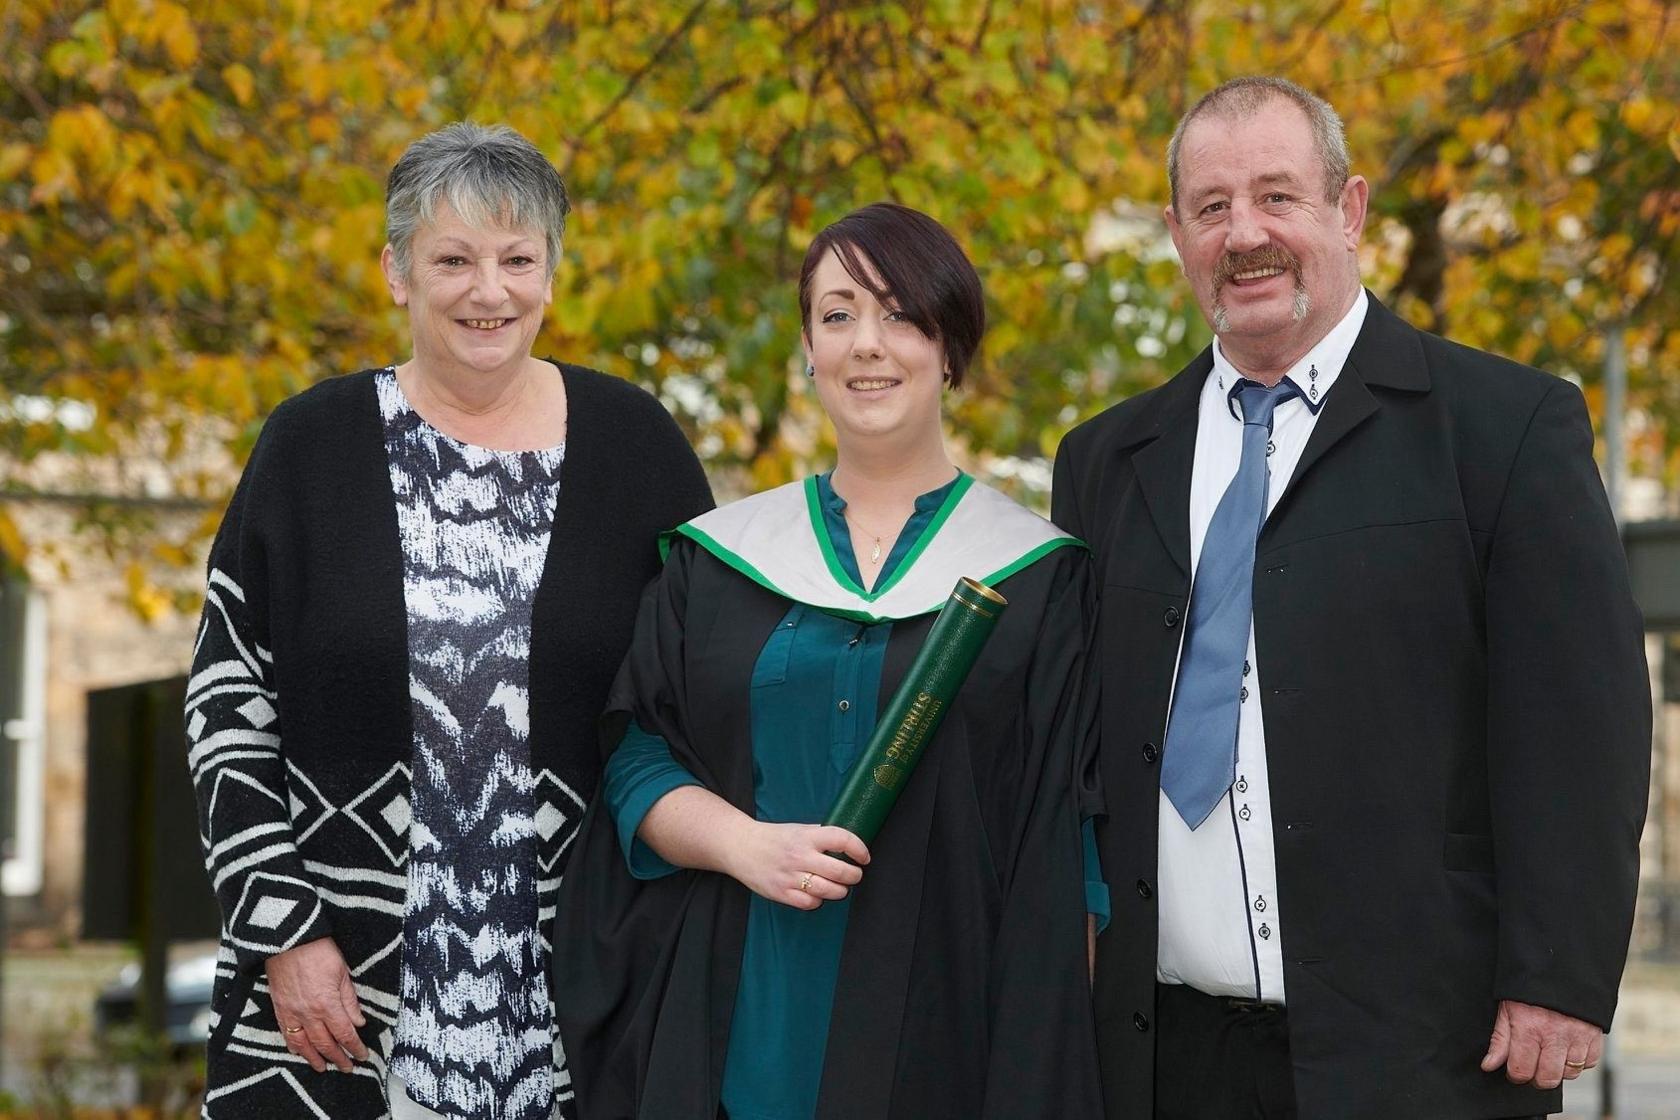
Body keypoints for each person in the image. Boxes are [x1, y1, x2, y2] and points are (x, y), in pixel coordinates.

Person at [1054, 76, 1651, 1120]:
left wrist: (1558, 973)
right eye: (1211, 207)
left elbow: (1580, 726)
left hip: (1422, 1051)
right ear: (1177, 232)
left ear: (1352, 210)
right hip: (1161, 1058)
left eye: (1278, 197)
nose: (1245, 234)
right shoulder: (1106, 460)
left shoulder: (1504, 430)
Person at [186, 122, 712, 1120]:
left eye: (518, 259)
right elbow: (226, 704)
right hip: (333, 996)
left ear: (551, 274)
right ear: (396, 271)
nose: (489, 290)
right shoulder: (308, 447)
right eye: (454, 259)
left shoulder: (639, 449)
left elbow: (696, 699)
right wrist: (284, 930)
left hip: (580, 993)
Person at [552, 202, 1105, 1119]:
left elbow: (1068, 845)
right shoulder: (717, 558)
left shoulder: (1040, 579)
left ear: (950, 344)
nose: (866, 345)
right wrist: (745, 845)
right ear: (808, 350)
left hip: (952, 1035)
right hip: (741, 1021)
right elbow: (636, 760)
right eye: (838, 315)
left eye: (899, 313)